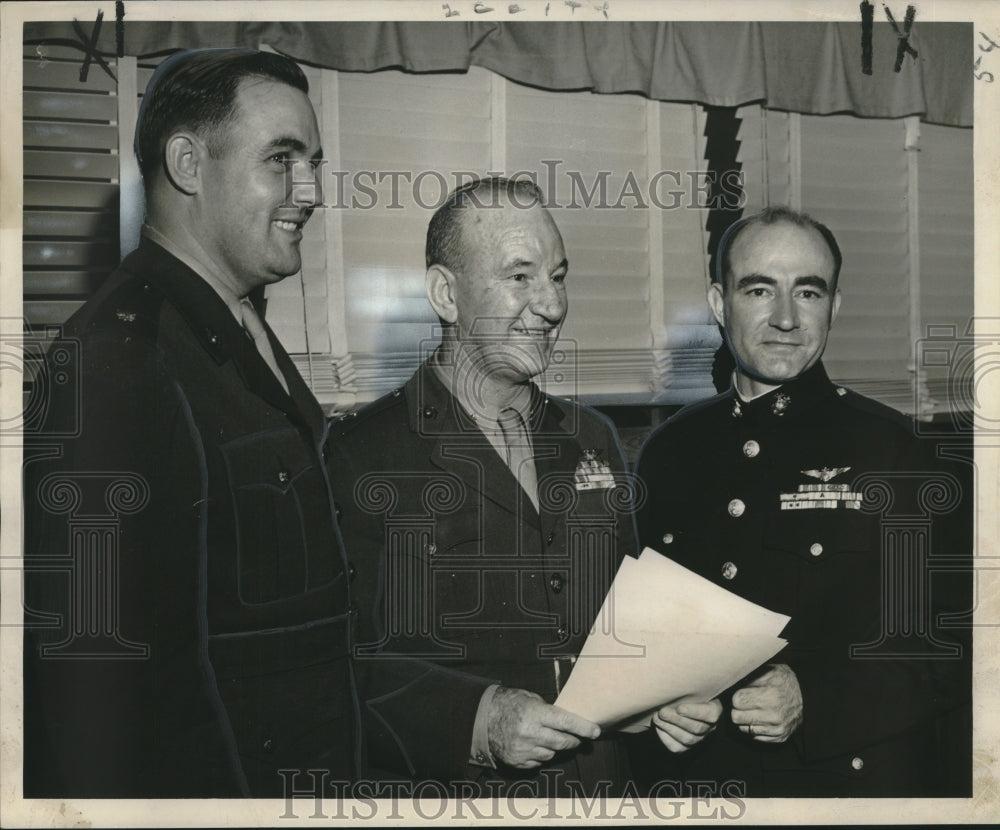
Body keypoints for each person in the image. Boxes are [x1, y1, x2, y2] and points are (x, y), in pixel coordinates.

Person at [22, 48, 358, 797]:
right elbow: (94, 686)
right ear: (187, 163)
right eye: (282, 159)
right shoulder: (115, 357)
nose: (310, 191)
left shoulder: (232, 324)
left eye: (315, 163)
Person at [327, 177, 721, 796]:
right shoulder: (358, 456)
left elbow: (623, 626)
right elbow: (331, 671)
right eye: (520, 277)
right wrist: (481, 719)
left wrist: (662, 695)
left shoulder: (593, 436)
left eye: (558, 276)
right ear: (445, 294)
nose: (552, 305)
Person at [632, 206, 972, 797]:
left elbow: (950, 644)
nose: (785, 317)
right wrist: (657, 705)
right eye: (759, 289)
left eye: (808, 292)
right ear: (719, 303)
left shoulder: (897, 451)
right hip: (703, 785)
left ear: (834, 307)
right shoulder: (670, 451)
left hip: (844, 786)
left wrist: (814, 692)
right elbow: (642, 631)